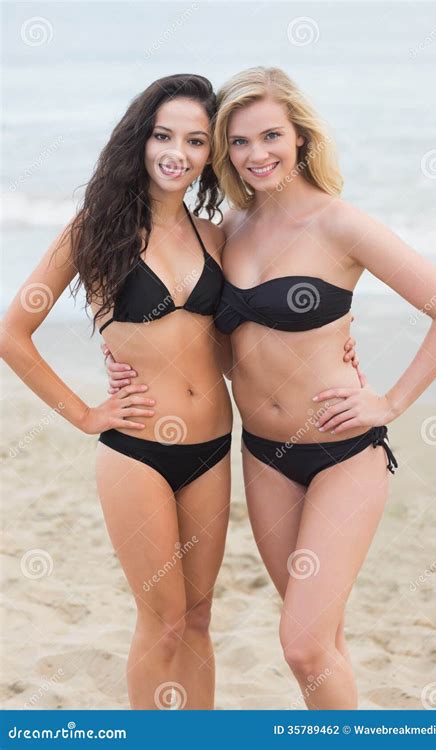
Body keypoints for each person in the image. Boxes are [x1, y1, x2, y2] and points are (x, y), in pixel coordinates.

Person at [106, 67, 436, 710]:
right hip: (264, 457)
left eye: (270, 136)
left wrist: (390, 400)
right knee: (319, 641)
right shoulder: (230, 233)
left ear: (300, 137)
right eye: (239, 143)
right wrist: (135, 361)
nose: (256, 155)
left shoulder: (340, 224)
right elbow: (213, 339)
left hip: (344, 452)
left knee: (303, 642)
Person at [1, 74, 235, 710]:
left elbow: (245, 337)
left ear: (210, 153)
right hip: (135, 451)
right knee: (160, 624)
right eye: (163, 134)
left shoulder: (216, 235)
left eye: (194, 140)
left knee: (198, 622)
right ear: (140, 139)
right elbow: (13, 333)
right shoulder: (97, 230)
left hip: (214, 446)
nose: (176, 152)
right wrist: (84, 412)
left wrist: (337, 345)